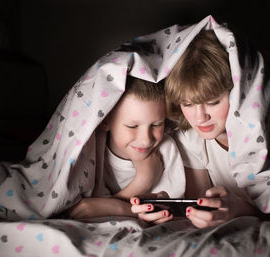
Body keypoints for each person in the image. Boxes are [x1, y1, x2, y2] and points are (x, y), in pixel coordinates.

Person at [131, 30, 264, 228]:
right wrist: (171, 209)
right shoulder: (192, 139)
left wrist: (242, 210)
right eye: (188, 104)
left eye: (213, 102)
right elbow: (200, 207)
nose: (200, 118)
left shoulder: (262, 136)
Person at [69, 77, 185, 219]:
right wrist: (144, 180)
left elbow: (167, 211)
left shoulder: (167, 149)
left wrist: (109, 207)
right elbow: (84, 210)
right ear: (105, 121)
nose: (146, 139)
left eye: (156, 125)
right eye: (132, 126)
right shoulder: (94, 148)